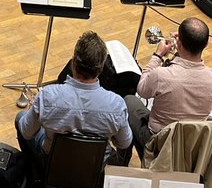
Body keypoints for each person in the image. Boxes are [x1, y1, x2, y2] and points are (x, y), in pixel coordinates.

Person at [15, 31, 133, 173]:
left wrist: (38, 110)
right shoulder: (117, 105)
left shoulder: (47, 96)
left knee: (20, 118)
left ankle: (37, 175)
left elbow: (27, 132)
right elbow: (125, 142)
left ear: (73, 62)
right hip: (93, 168)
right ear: (101, 68)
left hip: (53, 162)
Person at [124, 18, 212, 155]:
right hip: (189, 143)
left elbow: (142, 89)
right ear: (206, 44)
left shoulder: (161, 75)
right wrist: (180, 53)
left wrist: (158, 55)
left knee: (129, 101)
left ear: (179, 42)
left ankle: (133, 156)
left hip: (158, 141)